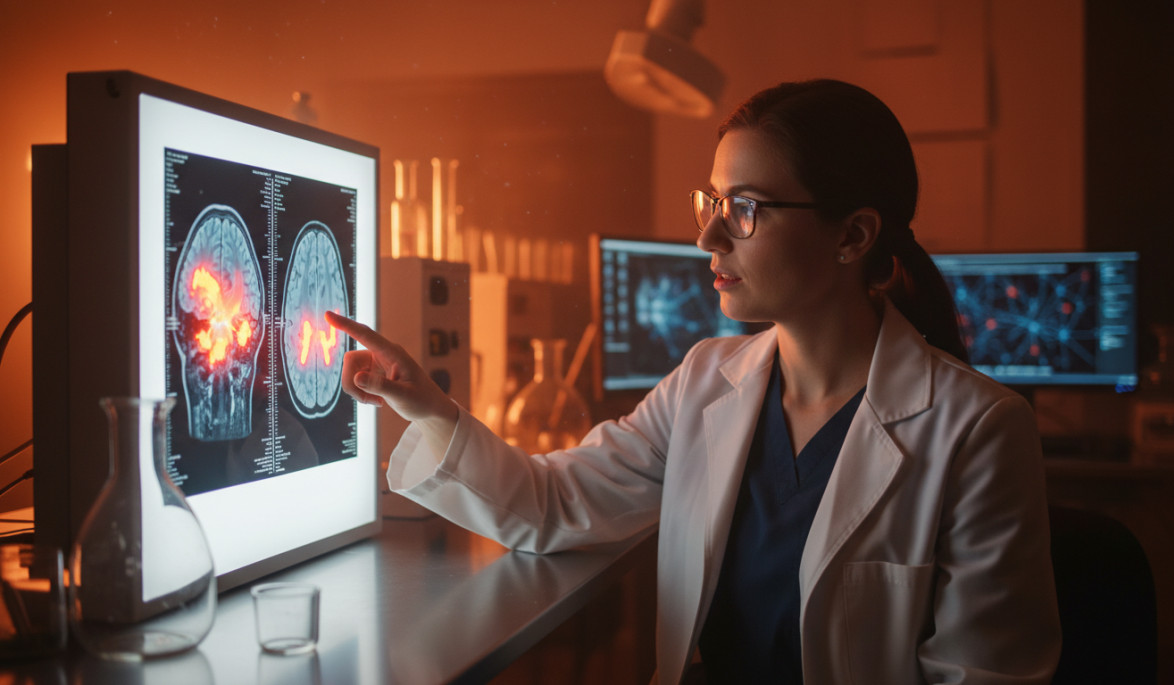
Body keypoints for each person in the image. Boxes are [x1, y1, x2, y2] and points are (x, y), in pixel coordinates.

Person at [327, 79, 1061, 684]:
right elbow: (553, 506)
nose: (707, 236)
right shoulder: (706, 380)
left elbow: (984, 673)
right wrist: (427, 408)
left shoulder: (978, 429)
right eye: (712, 202)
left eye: (745, 209)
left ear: (852, 235)